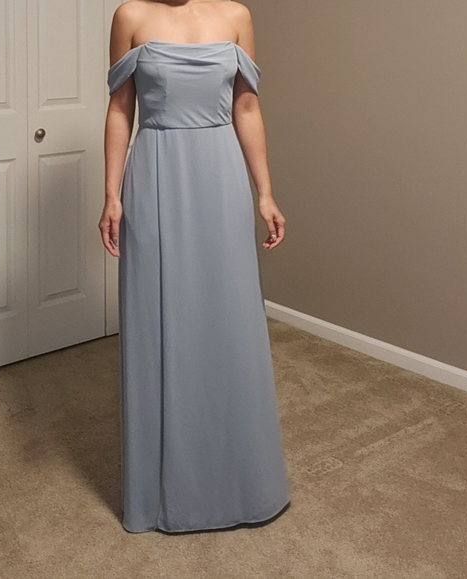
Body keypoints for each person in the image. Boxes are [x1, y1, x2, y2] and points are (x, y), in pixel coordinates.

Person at [99, 0, 290, 534]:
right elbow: (120, 108)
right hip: (156, 174)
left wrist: (265, 192)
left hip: (220, 173)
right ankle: (163, 493)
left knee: (229, 320)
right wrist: (111, 194)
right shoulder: (130, 15)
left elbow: (246, 107)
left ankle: (242, 480)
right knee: (162, 325)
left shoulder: (237, 16)